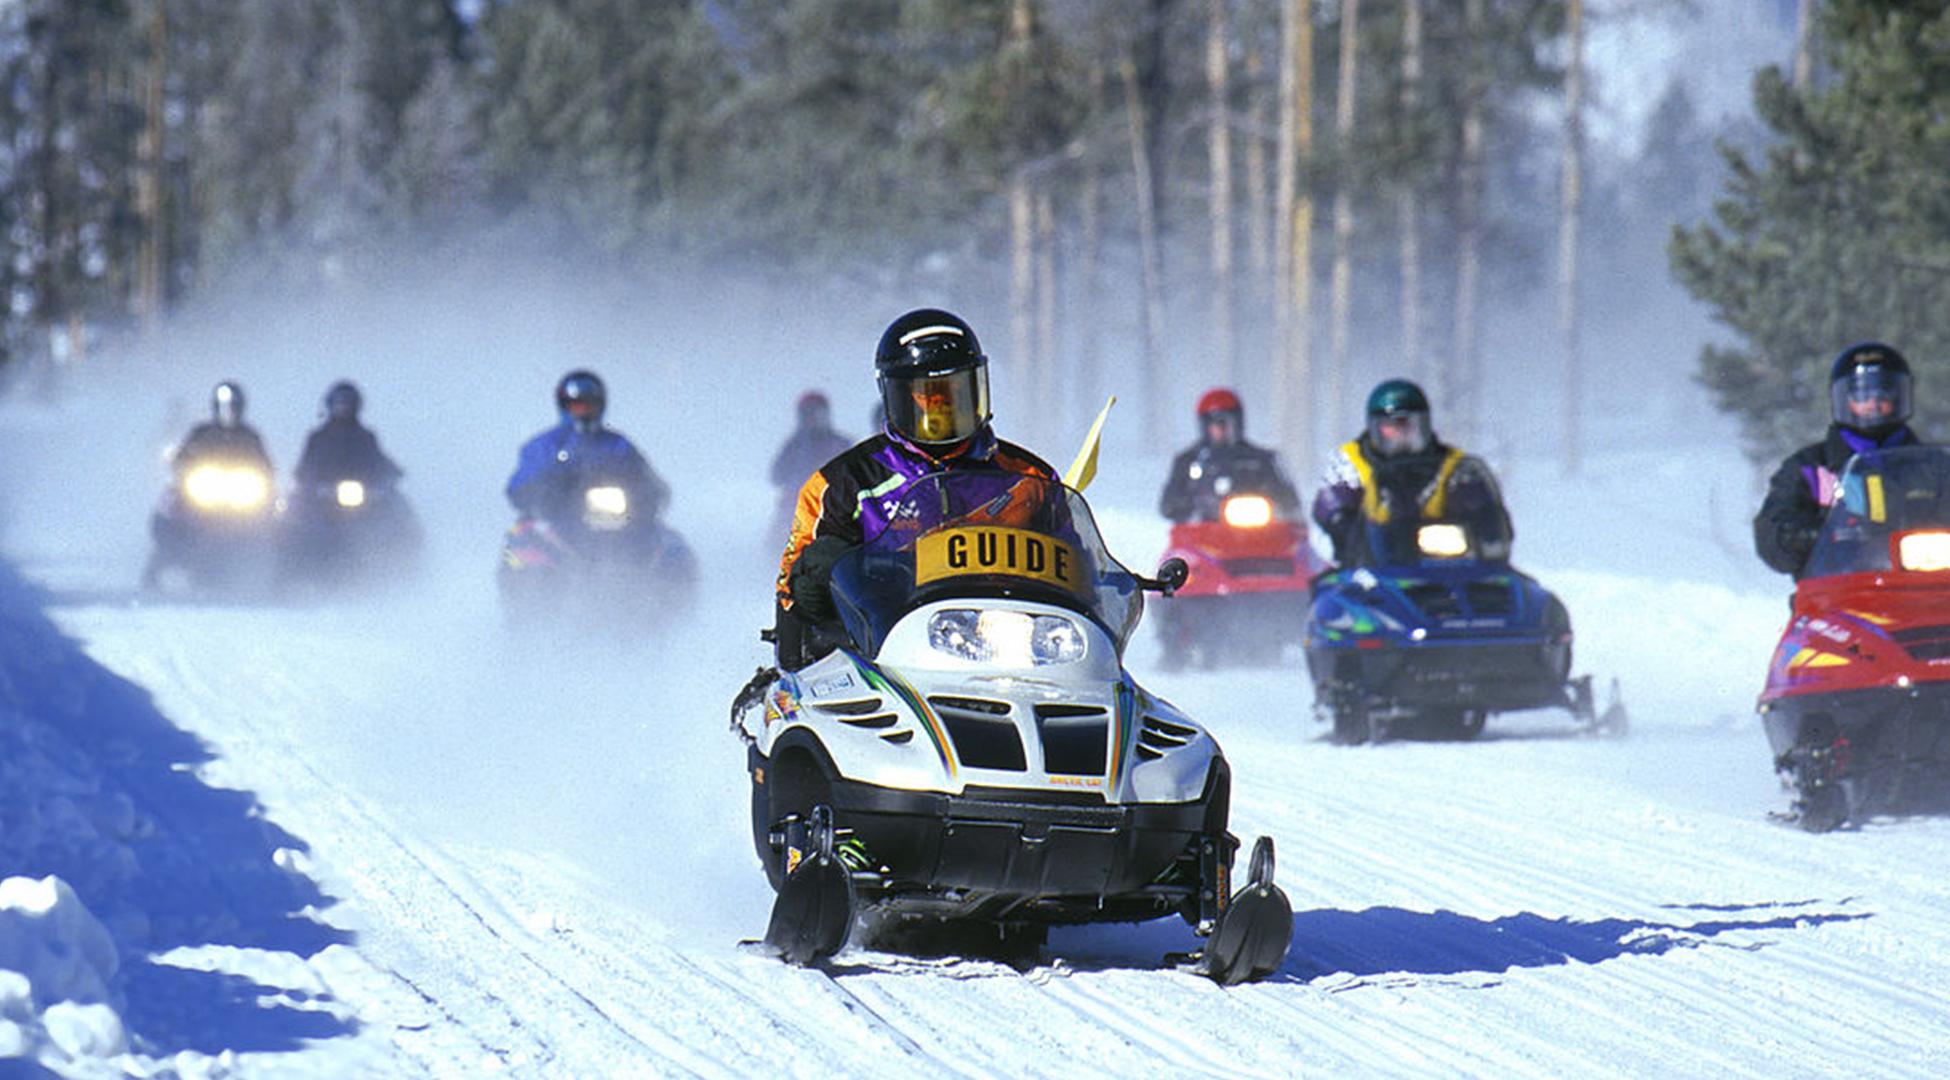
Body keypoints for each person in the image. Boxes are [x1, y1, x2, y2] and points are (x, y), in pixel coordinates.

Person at [774, 308, 1056, 669]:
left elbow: (1079, 570)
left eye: (955, 392)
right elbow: (791, 595)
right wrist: (816, 577)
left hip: (1011, 652)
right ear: (896, 399)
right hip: (884, 655)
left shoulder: (1029, 478)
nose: (942, 409)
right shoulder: (844, 483)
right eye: (927, 396)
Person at [1755, 342, 1921, 578]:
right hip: (1834, 593)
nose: (1873, 404)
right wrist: (1801, 536)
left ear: (1900, 396)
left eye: (1884, 393)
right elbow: (1772, 534)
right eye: (1862, 395)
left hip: (1923, 591)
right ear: (1844, 399)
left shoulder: (1931, 469)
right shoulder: (1810, 468)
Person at [1312, 378, 1512, 567]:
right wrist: (1342, 524)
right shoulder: (1351, 462)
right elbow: (1332, 502)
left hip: (1447, 568)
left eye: (1408, 427)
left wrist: (1485, 525)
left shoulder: (1455, 467)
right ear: (1375, 429)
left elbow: (1484, 509)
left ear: (1424, 426)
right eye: (1391, 429)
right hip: (1371, 568)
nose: (1400, 437)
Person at [506, 369, 670, 526]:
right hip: (560, 523)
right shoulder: (545, 445)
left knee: (667, 540)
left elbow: (650, 480)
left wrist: (648, 496)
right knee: (525, 534)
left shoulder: (618, 445)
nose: (583, 411)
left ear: (600, 405)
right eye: (576, 406)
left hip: (618, 524)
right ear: (564, 406)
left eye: (589, 405)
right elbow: (519, 485)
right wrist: (543, 488)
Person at [1159, 388, 1301, 524]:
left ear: (1238, 422)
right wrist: (1189, 504)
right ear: (1205, 425)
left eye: (1226, 422)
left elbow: (1289, 502)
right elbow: (1168, 506)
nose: (1221, 428)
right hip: (1201, 537)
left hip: (1259, 537)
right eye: (1215, 423)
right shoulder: (1188, 461)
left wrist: (1275, 505)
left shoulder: (1262, 460)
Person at [769, 391, 853, 538]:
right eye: (809, 414)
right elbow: (777, 476)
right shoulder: (793, 446)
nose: (813, 419)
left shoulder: (840, 444)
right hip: (795, 511)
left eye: (818, 413)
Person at [294, 380, 402, 491]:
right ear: (330, 406)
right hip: (324, 496)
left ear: (356, 406)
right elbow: (305, 466)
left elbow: (380, 461)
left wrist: (390, 476)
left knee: (396, 499)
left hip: (365, 496)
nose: (343, 409)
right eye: (339, 404)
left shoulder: (366, 438)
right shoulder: (318, 438)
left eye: (347, 404)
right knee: (296, 501)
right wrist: (311, 483)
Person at [173, 380, 272, 473]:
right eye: (223, 407)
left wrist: (263, 473)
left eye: (232, 407)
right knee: (172, 491)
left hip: (240, 486)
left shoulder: (249, 437)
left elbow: (265, 464)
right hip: (206, 484)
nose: (227, 412)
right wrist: (184, 468)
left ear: (239, 407)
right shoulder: (201, 434)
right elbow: (182, 457)